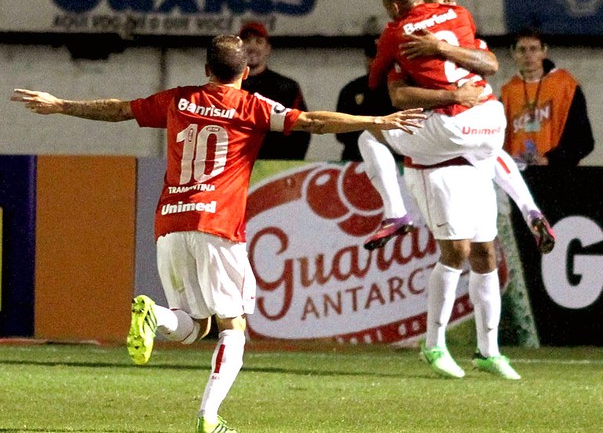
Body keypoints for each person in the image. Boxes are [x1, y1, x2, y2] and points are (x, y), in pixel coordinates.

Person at [11, 35, 426, 433]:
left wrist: (60, 103)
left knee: (193, 325)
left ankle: (154, 316)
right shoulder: (252, 105)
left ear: (207, 69)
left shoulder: (178, 99)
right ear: (245, 72)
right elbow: (313, 122)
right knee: (233, 326)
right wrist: (376, 119)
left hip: (171, 223)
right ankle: (209, 417)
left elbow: (119, 109)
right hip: (218, 227)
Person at [361, 0, 521, 380]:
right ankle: (433, 344)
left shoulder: (458, 38)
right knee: (457, 252)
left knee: (486, 252)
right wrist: (450, 94)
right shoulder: (405, 44)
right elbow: (398, 96)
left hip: (472, 160)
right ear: (421, 5)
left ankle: (489, 352)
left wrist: (443, 48)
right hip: (437, 168)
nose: (447, 2)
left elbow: (489, 64)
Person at [362, 0, 556, 254]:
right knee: (479, 254)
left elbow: (387, 89)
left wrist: (439, 48)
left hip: (449, 133)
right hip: (487, 122)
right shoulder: (460, 22)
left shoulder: (406, 38)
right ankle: (531, 210)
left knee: (461, 256)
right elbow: (490, 64)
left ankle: (396, 212)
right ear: (428, 4)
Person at [501, 28, 595, 167]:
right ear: (513, 53)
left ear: (544, 51)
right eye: (522, 50)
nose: (528, 55)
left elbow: (584, 141)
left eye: (533, 49)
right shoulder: (508, 92)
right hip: (518, 173)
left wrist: (550, 160)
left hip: (558, 172)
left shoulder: (566, 86)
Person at [239, 21, 311, 160]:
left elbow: (302, 131)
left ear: (268, 49)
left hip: (273, 168)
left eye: (259, 42)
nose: (252, 47)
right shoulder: (225, 86)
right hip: (232, 170)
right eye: (247, 41)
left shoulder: (286, 88)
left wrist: (285, 167)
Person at [335, 37, 397, 161]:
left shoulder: (402, 90)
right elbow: (339, 131)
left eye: (379, 57)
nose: (373, 63)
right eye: (370, 57)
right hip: (358, 159)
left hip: (395, 157)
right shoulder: (352, 89)